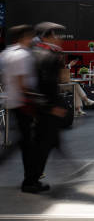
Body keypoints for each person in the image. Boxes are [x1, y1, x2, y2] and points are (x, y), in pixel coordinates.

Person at [0, 25, 42, 193]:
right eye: (31, 37)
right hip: (23, 103)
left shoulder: (5, 54)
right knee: (27, 143)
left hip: (13, 101)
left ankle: (31, 179)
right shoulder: (22, 55)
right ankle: (30, 181)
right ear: (24, 37)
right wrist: (32, 101)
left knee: (23, 141)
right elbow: (22, 82)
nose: (33, 40)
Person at [29, 22, 70, 193]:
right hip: (49, 105)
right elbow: (50, 83)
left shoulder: (33, 52)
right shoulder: (51, 55)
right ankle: (32, 180)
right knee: (44, 143)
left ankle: (34, 176)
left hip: (36, 103)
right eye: (55, 35)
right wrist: (53, 105)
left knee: (44, 140)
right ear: (47, 36)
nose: (58, 39)